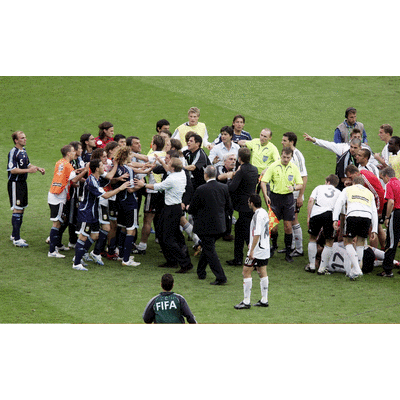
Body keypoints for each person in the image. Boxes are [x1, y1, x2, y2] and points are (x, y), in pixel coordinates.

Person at [135, 158, 194, 273]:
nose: (167, 165)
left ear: (173, 167)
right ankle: (172, 261)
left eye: (169, 163)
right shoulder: (181, 173)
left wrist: (143, 184)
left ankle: (185, 263)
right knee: (164, 234)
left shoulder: (171, 179)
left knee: (168, 238)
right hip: (173, 208)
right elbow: (167, 169)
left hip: (171, 209)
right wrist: (162, 162)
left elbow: (158, 187)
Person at [72, 159, 131, 271]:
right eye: (101, 165)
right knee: (83, 236)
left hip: (93, 212)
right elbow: (106, 196)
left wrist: (118, 178)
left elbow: (109, 181)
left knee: (95, 235)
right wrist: (120, 188)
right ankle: (76, 263)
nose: (104, 166)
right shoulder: (91, 181)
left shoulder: (97, 179)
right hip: (86, 212)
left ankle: (81, 255)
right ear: (96, 168)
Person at [188, 165, 232, 285]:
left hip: (206, 227)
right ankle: (201, 272)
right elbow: (228, 206)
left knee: (210, 251)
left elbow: (192, 209)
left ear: (205, 175)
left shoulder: (201, 189)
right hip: (220, 226)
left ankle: (221, 277)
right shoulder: (224, 187)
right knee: (208, 247)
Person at [260, 147, 303, 262]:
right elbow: (263, 181)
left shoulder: (294, 168)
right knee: (273, 228)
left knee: (288, 226)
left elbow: (300, 184)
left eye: (288, 157)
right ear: (281, 155)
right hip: (275, 198)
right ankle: (274, 245)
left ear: (291, 157)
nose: (285, 159)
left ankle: (288, 253)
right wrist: (266, 195)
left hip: (288, 199)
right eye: (284, 157)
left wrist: (294, 188)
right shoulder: (273, 166)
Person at [332, 175, 378, 280]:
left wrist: (335, 218)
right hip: (367, 217)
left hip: (353, 215)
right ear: (363, 184)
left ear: (353, 183)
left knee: (347, 242)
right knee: (360, 244)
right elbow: (374, 211)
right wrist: (374, 229)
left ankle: (356, 268)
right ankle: (355, 270)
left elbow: (339, 203)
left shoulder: (348, 189)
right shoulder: (369, 193)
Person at [47, 145, 89, 259]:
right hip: (58, 197)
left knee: (60, 221)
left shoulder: (60, 162)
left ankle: (56, 246)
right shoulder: (68, 165)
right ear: (68, 153)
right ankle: (52, 251)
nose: (75, 153)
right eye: (73, 151)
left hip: (54, 193)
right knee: (56, 223)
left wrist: (77, 171)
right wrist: (85, 170)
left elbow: (67, 176)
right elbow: (74, 179)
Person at [7, 130, 45, 247]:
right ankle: (16, 239)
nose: (25, 139)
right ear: (16, 141)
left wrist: (37, 168)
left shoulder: (23, 151)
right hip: (15, 184)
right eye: (22, 138)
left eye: (25, 137)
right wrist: (29, 170)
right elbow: (12, 170)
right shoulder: (13, 152)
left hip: (23, 183)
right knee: (17, 209)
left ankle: (14, 234)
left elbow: (27, 164)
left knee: (22, 209)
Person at [234, 193, 270, 310]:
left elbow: (257, 233)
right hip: (265, 248)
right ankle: (264, 299)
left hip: (257, 250)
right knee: (262, 271)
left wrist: (251, 250)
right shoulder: (264, 212)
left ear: (252, 203)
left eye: (249, 202)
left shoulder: (257, 216)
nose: (248, 203)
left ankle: (246, 301)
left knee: (246, 272)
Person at [226, 147, 259, 265]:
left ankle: (252, 258)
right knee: (242, 231)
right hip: (251, 204)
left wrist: (230, 178)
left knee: (245, 233)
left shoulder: (241, 171)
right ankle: (239, 258)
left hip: (243, 205)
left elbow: (232, 187)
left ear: (239, 158)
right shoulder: (254, 169)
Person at [305, 174, 341, 274]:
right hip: (330, 214)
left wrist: (308, 216)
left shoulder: (319, 187)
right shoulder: (338, 192)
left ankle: (312, 265)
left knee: (312, 238)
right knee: (329, 242)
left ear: (327, 182)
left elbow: (311, 200)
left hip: (316, 212)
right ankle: (322, 269)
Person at [281, 132, 307, 257]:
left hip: (295, 194)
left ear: (291, 142)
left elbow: (304, 177)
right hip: (286, 194)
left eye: (284, 140)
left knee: (293, 219)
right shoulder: (287, 154)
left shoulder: (297, 156)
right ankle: (290, 246)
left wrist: (300, 196)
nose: (282, 142)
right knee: (288, 220)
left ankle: (299, 249)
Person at [377, 167, 400, 277]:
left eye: (382, 178)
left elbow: (391, 202)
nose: (383, 181)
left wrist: (387, 217)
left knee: (391, 242)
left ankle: (387, 270)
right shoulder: (399, 182)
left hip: (397, 213)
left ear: (386, 176)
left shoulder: (390, 184)